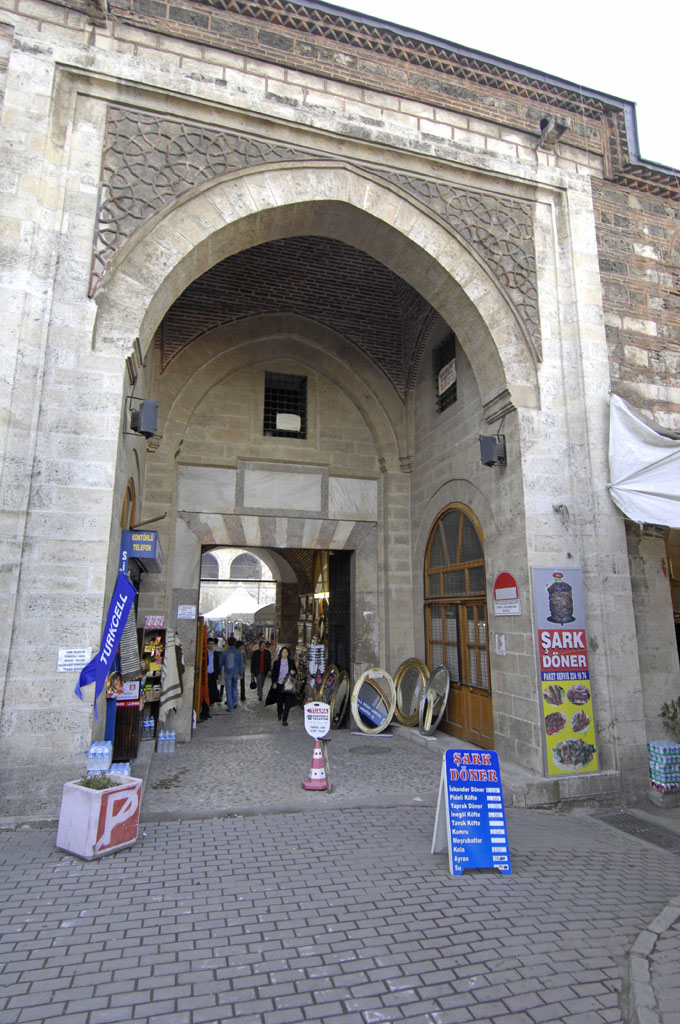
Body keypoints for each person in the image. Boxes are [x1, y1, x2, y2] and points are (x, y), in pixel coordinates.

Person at [270, 646, 298, 726]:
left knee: (288, 703)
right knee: (279, 702)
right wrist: (274, 682)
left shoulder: (291, 662)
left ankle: (285, 719)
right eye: (283, 652)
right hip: (279, 684)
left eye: (286, 652)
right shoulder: (276, 663)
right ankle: (280, 712)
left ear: (288, 653)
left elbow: (295, 671)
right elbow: (274, 674)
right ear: (281, 653)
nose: (285, 654)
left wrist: (293, 672)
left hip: (288, 685)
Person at [222, 636, 243, 712]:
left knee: (228, 689)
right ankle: (234, 702)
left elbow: (221, 663)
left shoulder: (225, 652)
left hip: (228, 672)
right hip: (236, 673)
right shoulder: (238, 653)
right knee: (234, 687)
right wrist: (241, 673)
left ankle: (230, 707)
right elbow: (241, 664)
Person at [206, 637, 221, 706]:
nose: (211, 645)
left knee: (213, 688)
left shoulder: (215, 653)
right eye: (210, 644)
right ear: (207, 644)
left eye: (212, 644)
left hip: (213, 673)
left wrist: (217, 674)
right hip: (206, 673)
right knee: (207, 688)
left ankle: (211, 701)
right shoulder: (204, 653)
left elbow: (217, 664)